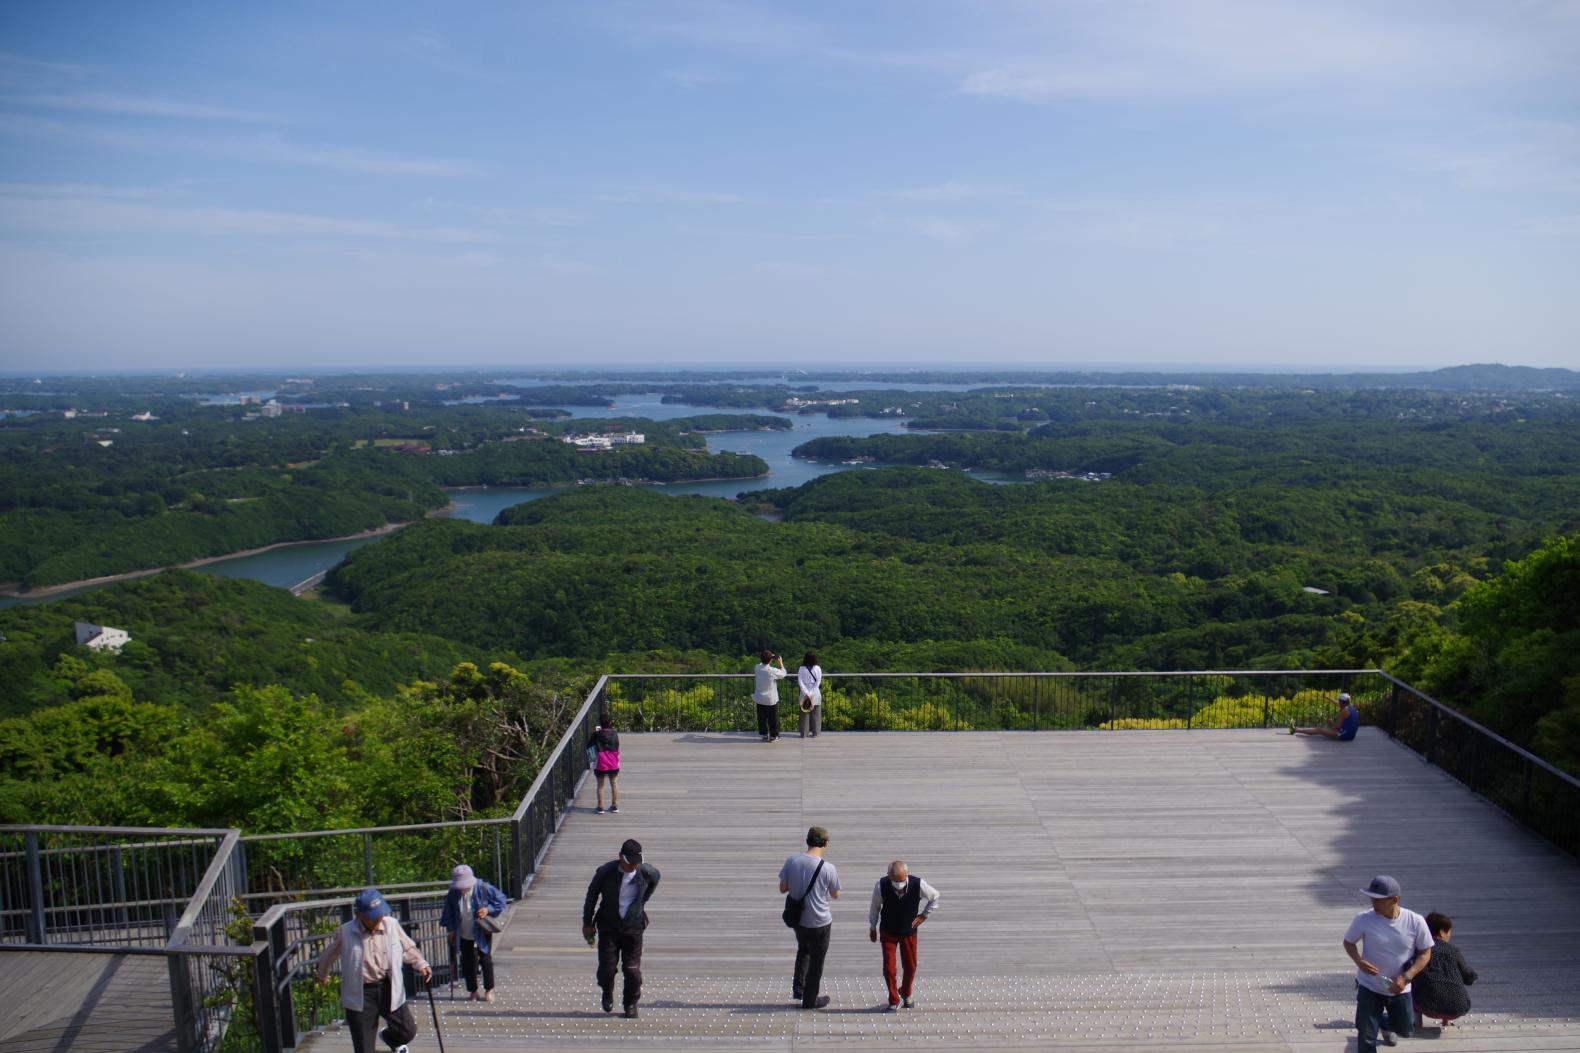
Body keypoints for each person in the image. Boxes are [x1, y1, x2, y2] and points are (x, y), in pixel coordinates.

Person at [316, 887, 432, 1053]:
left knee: (407, 1031)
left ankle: (390, 1038)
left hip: (388, 986)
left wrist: (421, 964)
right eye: (373, 916)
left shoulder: (391, 925)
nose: (378, 919)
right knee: (364, 1048)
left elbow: (407, 948)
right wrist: (322, 974)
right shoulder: (346, 932)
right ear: (360, 915)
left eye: (380, 914)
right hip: (361, 993)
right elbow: (329, 954)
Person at [1343, 875, 1434, 1053]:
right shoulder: (1363, 919)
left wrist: (1407, 977)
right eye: (1371, 898)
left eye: (1378, 900)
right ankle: (1372, 1024)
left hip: (1399, 987)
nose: (1373, 903)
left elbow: (1425, 953)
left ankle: (1384, 1023)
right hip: (1369, 985)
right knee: (1366, 1037)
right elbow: (1348, 943)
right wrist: (1359, 962)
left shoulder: (1415, 921)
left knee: (1405, 1029)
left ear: (1395, 900)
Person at [581, 838, 661, 1019]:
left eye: (636, 863)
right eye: (629, 863)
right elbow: (591, 897)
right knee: (607, 969)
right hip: (608, 926)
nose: (633, 866)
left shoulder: (647, 872)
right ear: (620, 858)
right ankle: (607, 991)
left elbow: (656, 879)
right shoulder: (605, 872)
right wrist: (587, 924)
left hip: (633, 927)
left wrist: (641, 902)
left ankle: (630, 1003)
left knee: (632, 970)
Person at [778, 825, 841, 1010]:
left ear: (808, 841)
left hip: (799, 920)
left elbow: (783, 888)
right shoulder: (828, 868)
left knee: (803, 950)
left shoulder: (792, 861)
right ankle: (810, 999)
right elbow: (836, 894)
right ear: (826, 843)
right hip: (821, 920)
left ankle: (799, 989)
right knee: (817, 960)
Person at [867, 860, 940, 1011]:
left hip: (909, 932)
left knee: (911, 966)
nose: (899, 885)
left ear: (907, 874)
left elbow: (935, 897)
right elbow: (875, 907)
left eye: (901, 881)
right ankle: (893, 1000)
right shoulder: (881, 885)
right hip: (888, 931)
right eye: (895, 881)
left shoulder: (918, 884)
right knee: (889, 968)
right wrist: (873, 927)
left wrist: (924, 915)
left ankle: (906, 993)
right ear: (888, 876)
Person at [439, 863, 507, 1003]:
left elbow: (501, 900)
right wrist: (451, 929)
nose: (463, 888)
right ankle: (473, 991)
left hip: (481, 929)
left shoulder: (483, 888)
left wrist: (488, 909)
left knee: (485, 959)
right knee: (467, 961)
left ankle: (489, 990)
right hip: (463, 930)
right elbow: (448, 912)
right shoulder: (453, 893)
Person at [1412, 912, 1477, 1029]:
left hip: (1426, 1006)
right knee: (1448, 982)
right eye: (1449, 932)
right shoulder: (1453, 950)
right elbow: (1469, 977)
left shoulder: (1419, 950)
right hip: (1458, 1007)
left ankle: (1418, 1023)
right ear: (1442, 932)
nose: (1449, 936)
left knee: (1413, 980)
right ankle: (1446, 1022)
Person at [1293, 692, 1361, 740]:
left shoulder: (1344, 711)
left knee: (1319, 730)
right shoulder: (1351, 707)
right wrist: (1327, 698)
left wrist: (1330, 722)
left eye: (1339, 700)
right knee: (1328, 728)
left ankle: (1295, 729)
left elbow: (1337, 726)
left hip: (1344, 735)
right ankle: (1296, 729)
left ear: (1342, 702)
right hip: (1351, 735)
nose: (1338, 702)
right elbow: (1338, 704)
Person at [754, 650, 787, 742]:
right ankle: (774, 736)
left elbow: (762, 663)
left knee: (762, 718)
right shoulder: (771, 670)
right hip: (770, 699)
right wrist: (781, 663)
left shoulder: (757, 668)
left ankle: (764, 734)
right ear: (770, 660)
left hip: (760, 697)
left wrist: (768, 657)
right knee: (773, 718)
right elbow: (783, 673)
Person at [592, 718, 621, 814]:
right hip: (613, 760)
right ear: (610, 724)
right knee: (614, 782)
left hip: (601, 761)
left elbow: (590, 745)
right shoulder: (614, 733)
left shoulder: (597, 734)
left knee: (600, 785)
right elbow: (617, 745)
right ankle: (614, 805)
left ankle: (600, 807)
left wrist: (594, 733)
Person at [797, 652, 824, 738]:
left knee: (804, 713)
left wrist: (806, 693)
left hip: (804, 693)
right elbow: (818, 681)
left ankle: (804, 733)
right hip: (815, 692)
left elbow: (800, 681)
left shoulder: (801, 668)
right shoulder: (818, 668)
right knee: (816, 713)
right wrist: (811, 693)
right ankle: (815, 733)